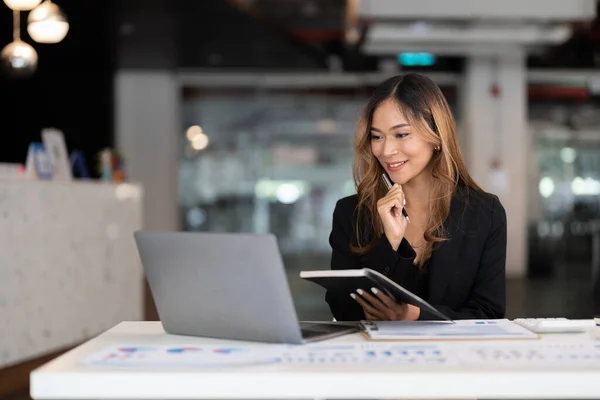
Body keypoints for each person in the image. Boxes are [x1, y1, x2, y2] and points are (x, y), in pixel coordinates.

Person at [326, 73, 507, 321]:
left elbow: (489, 313)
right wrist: (389, 244)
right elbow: (343, 310)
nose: (386, 150)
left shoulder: (485, 213)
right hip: (376, 357)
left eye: (401, 134)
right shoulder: (351, 212)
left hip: (453, 357)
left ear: (437, 137)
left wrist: (413, 316)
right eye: (377, 136)